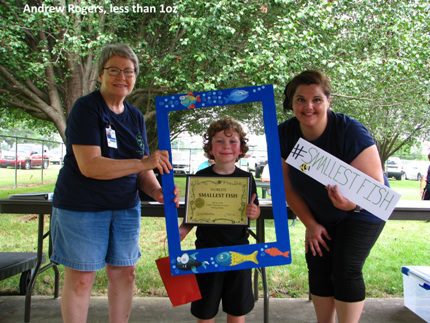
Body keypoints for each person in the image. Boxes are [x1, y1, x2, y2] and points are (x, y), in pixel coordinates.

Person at [50, 43, 179, 323]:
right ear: (100, 75)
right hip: (82, 208)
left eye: (129, 71)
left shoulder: (133, 116)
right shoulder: (86, 109)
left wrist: (157, 190)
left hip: (124, 208)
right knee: (82, 278)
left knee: (125, 273)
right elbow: (90, 166)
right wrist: (146, 163)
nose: (122, 76)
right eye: (114, 70)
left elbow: (140, 167)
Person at [278, 70, 386, 323]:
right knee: (318, 266)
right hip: (320, 213)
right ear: (291, 104)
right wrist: (311, 224)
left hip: (363, 210)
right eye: (300, 100)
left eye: (316, 99)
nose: (308, 106)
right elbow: (288, 188)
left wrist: (352, 203)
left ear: (328, 101)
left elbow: (376, 187)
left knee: (345, 269)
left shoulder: (350, 131)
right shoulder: (284, 134)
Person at [179, 117, 261, 323]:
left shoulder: (247, 179)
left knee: (237, 309)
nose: (226, 146)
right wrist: (180, 232)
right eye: (219, 141)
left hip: (239, 253)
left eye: (232, 141)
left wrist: (254, 212)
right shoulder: (200, 177)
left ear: (241, 148)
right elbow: (193, 214)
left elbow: (255, 209)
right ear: (210, 148)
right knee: (204, 311)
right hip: (205, 251)